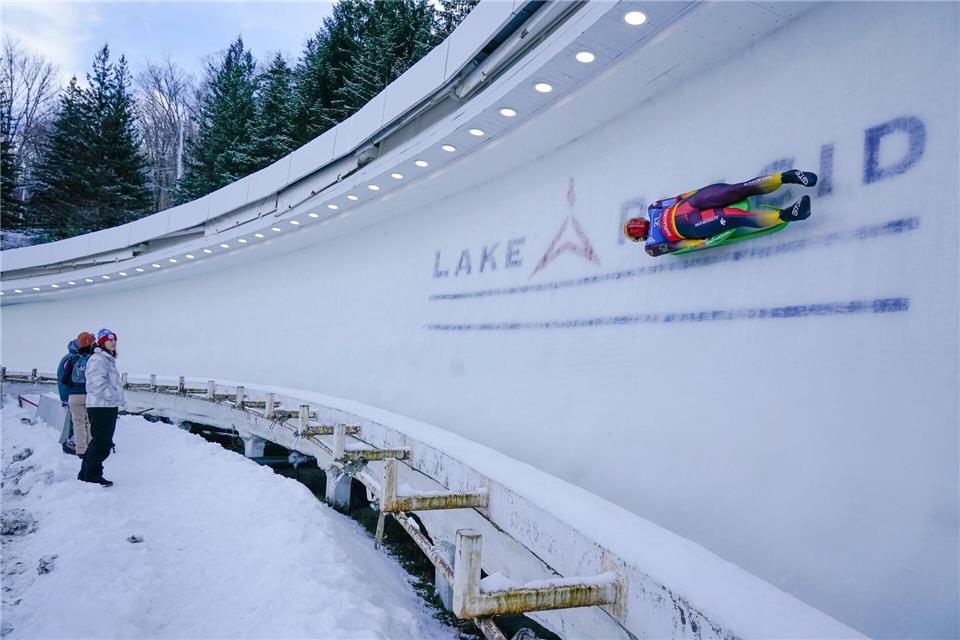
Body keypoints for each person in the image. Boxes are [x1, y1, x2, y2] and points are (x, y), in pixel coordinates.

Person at [623, 169, 819, 256]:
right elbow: (678, 246)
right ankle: (788, 215)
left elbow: (679, 198)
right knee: (733, 216)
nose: (638, 227)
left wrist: (700, 191)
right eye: (634, 230)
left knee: (737, 189)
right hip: (692, 225)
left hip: (692, 203)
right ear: (638, 238)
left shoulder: (654, 207)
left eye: (634, 224)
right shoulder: (651, 247)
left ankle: (787, 176)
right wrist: (702, 243)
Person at [80, 329, 124, 487]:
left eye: (115, 340)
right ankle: (92, 475)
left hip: (105, 406)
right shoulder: (98, 359)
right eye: (110, 340)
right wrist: (114, 395)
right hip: (101, 406)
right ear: (102, 342)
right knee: (102, 444)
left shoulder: (106, 359)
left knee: (98, 442)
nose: (114, 342)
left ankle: (86, 473)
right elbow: (96, 383)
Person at [58, 332, 95, 459]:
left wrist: (68, 393)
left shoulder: (71, 359)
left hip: (74, 396)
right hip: (89, 395)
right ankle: (91, 447)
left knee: (78, 422)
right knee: (89, 421)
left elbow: (64, 379)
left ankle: (81, 449)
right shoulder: (93, 359)